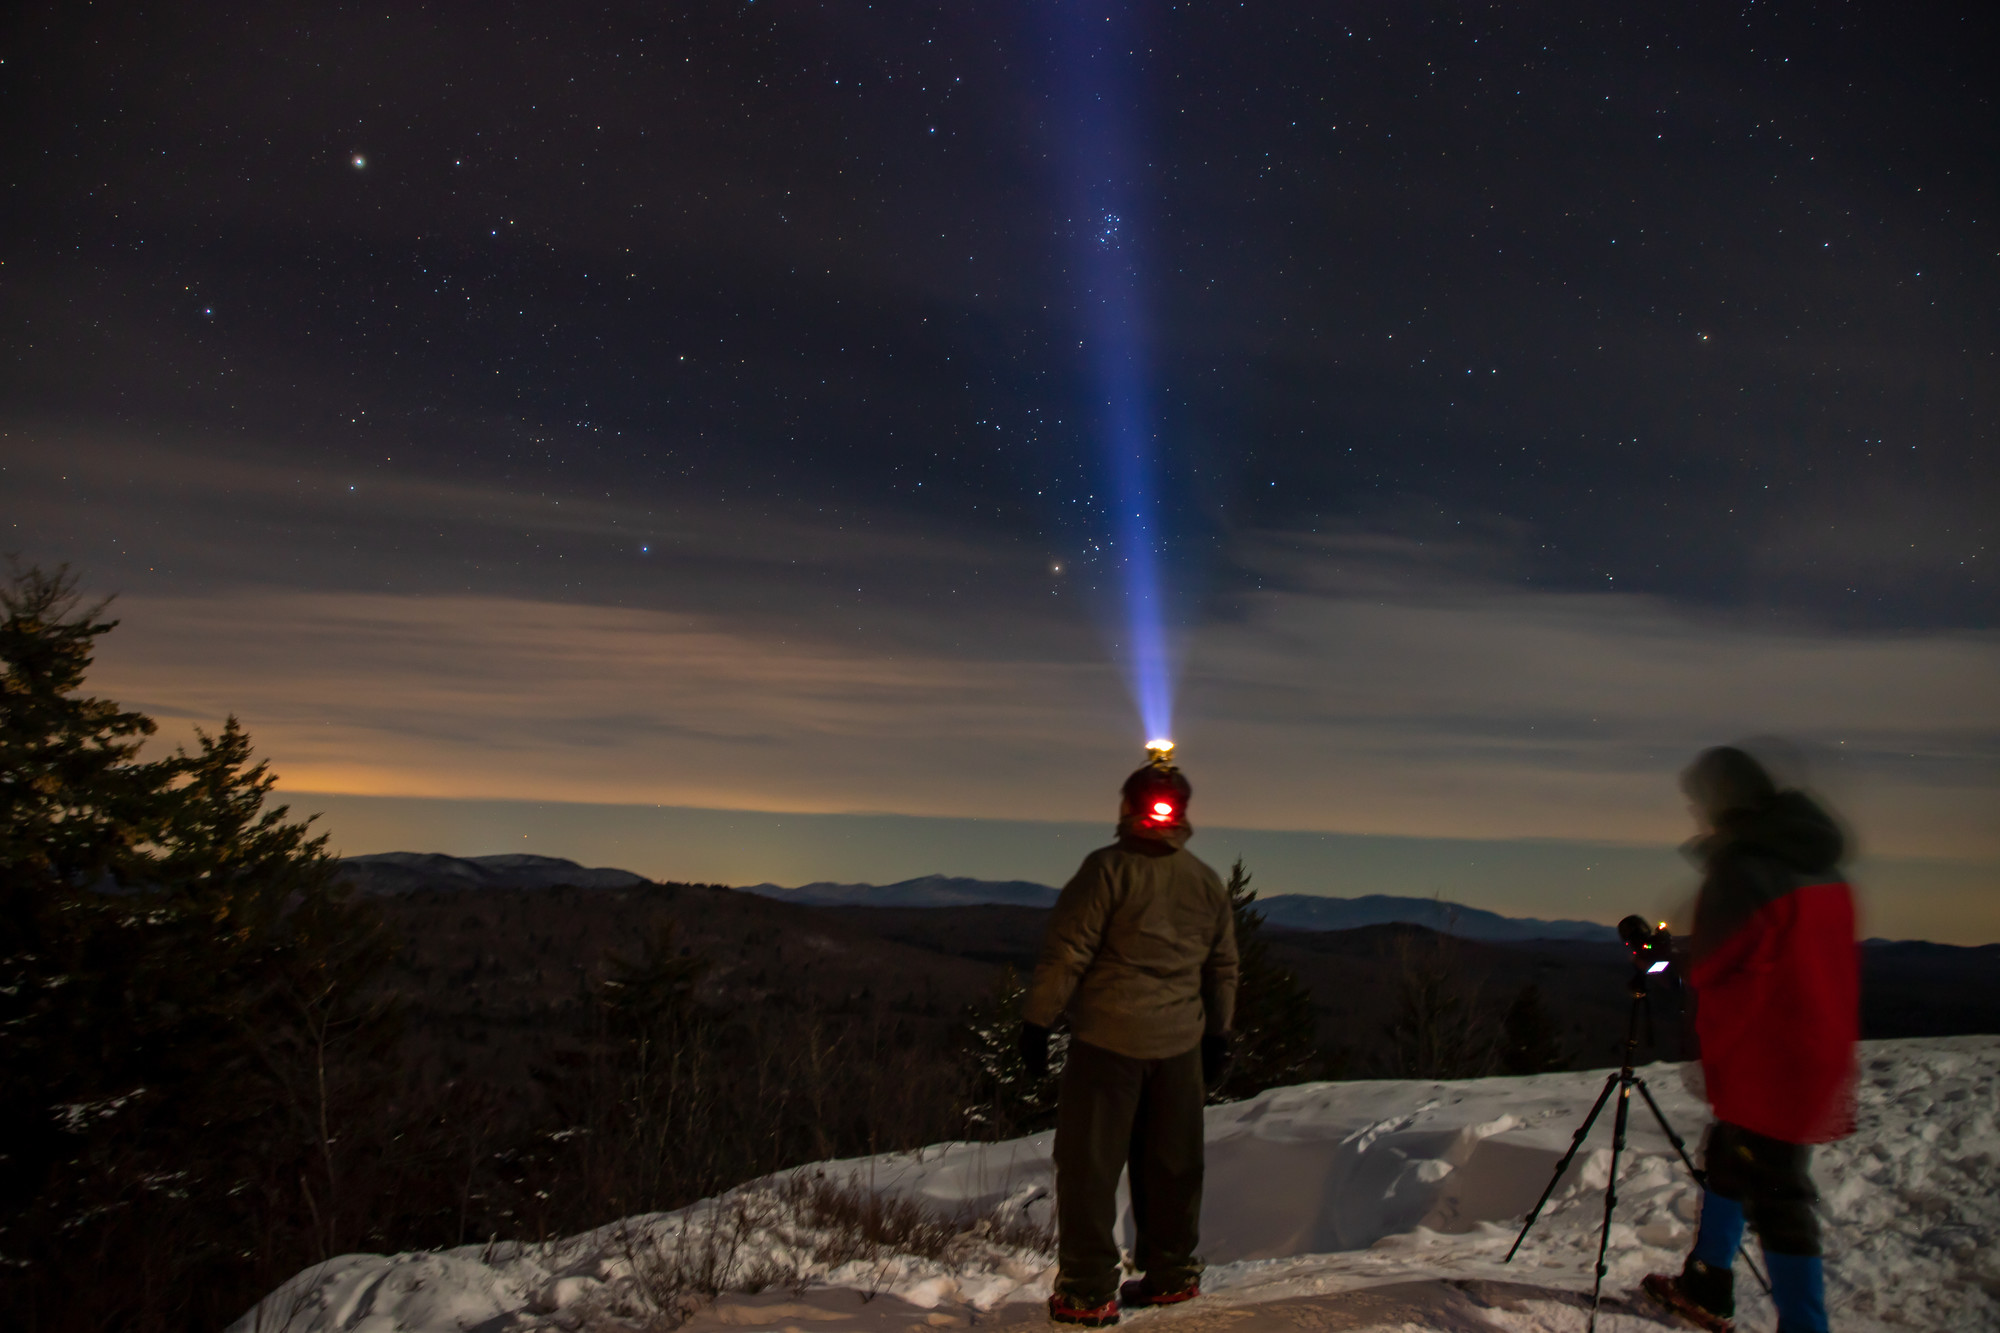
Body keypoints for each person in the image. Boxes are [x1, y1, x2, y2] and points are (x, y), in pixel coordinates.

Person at [1644, 746, 1859, 1333]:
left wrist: (1665, 963)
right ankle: (1708, 1279)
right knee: (1731, 1158)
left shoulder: (1745, 870)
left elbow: (1718, 967)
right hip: (1816, 1046)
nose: (1697, 812)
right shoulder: (1817, 865)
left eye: (1699, 800)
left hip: (1769, 1057)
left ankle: (1803, 1325)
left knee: (1777, 1191)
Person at [1019, 754, 1239, 1327]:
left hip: (1108, 1042)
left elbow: (1067, 952)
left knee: (1091, 1166)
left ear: (1127, 806)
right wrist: (1218, 1033)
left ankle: (1088, 1290)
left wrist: (1038, 1022)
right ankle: (1172, 1274)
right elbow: (1222, 968)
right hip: (1181, 1046)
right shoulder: (1205, 880)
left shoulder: (1106, 870)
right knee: (1173, 1163)